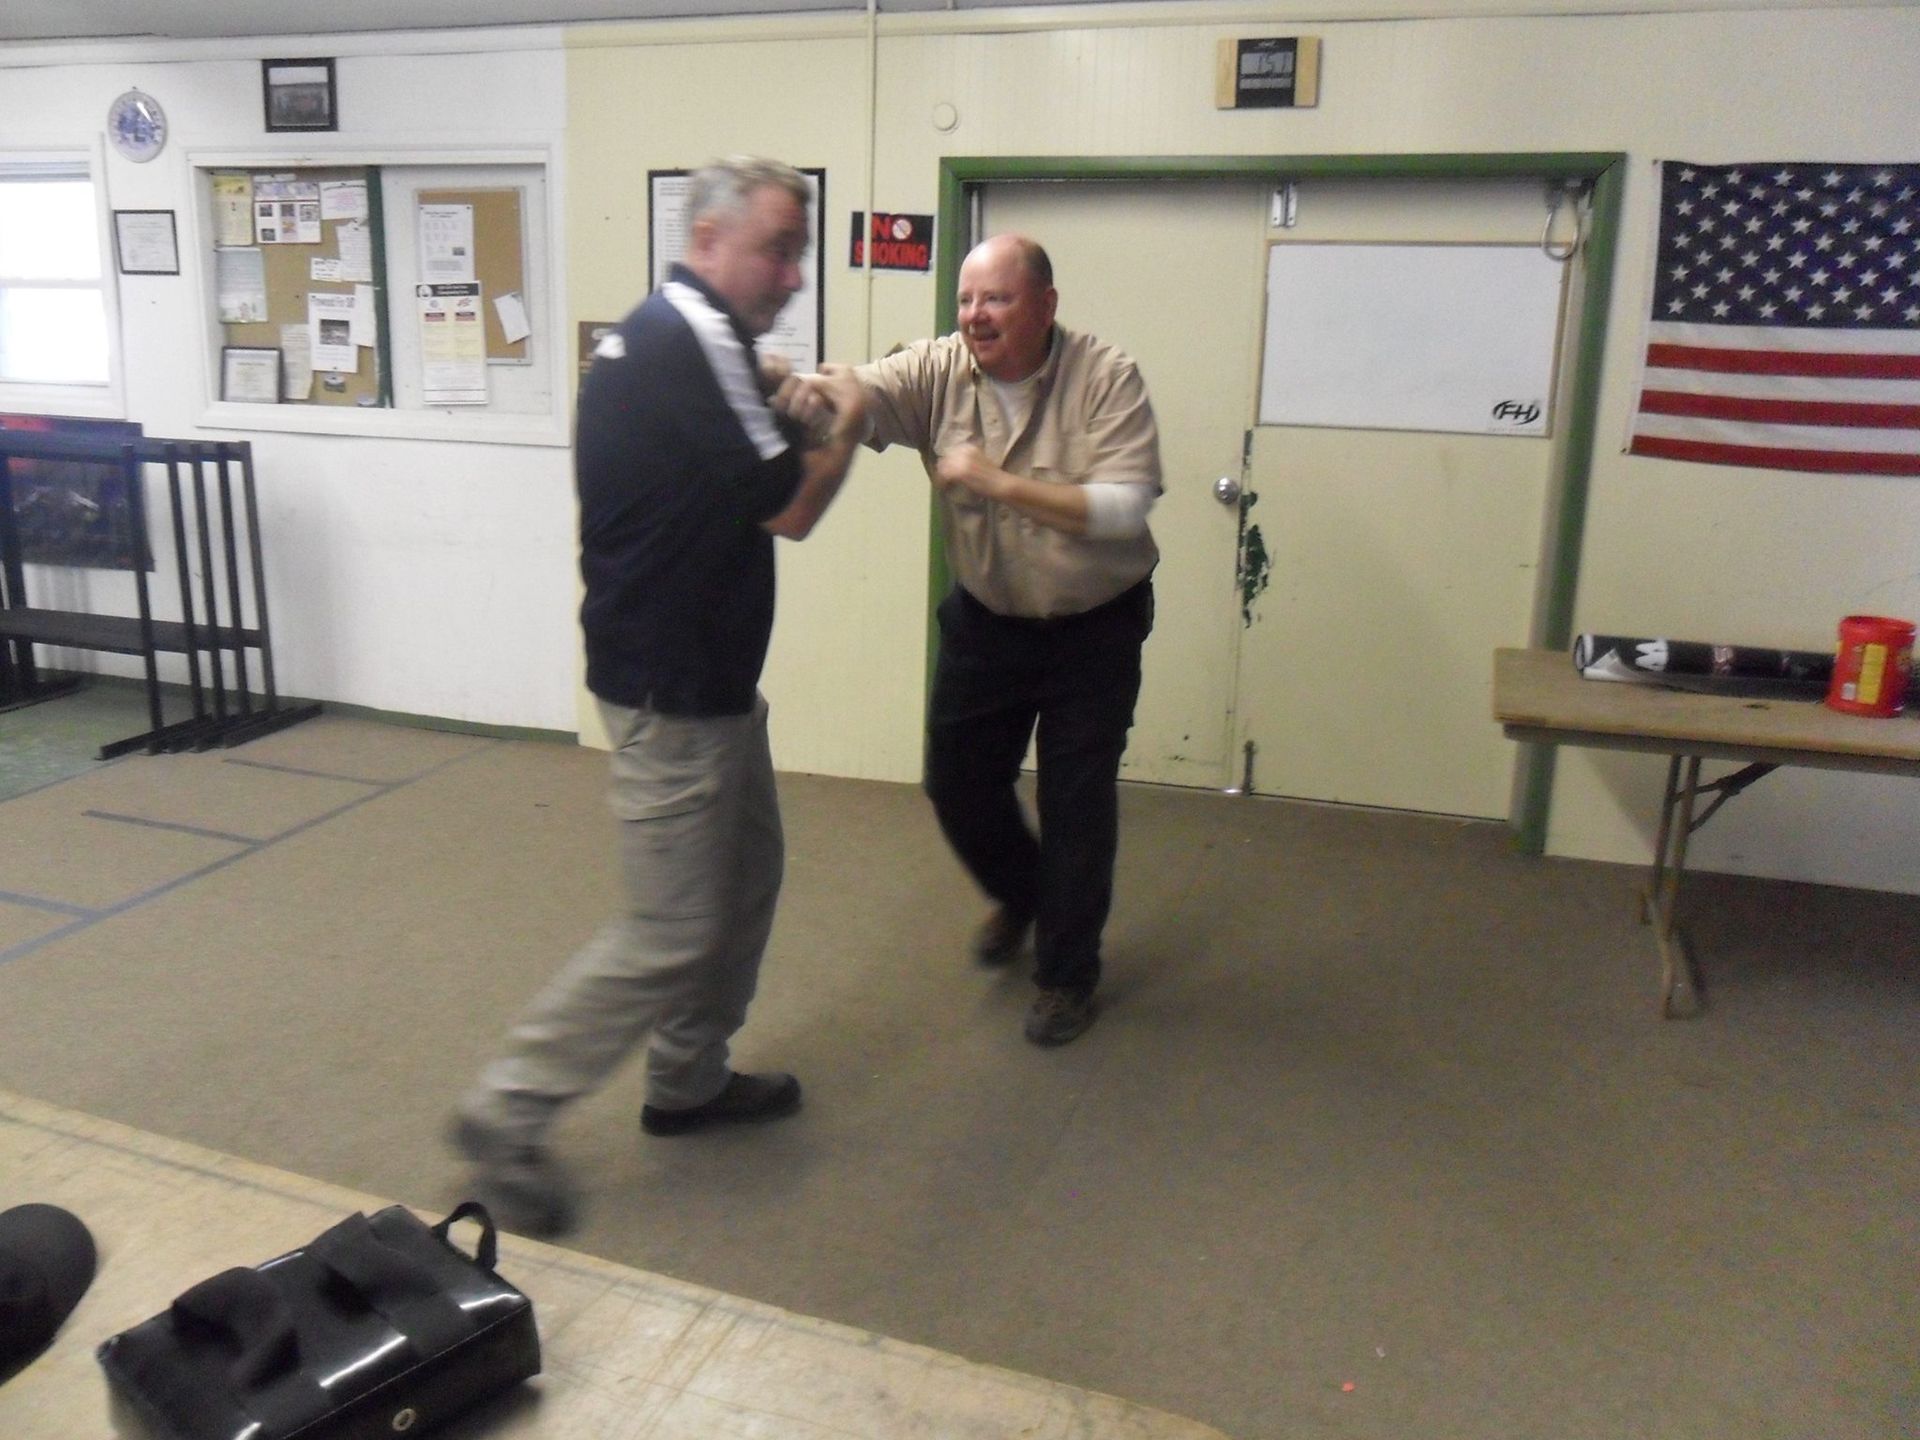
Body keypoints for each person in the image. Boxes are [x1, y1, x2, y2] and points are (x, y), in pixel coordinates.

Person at [450, 157, 867, 1238]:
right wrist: (851, 422)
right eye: (776, 248)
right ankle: (506, 1110)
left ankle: (689, 1078)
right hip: (673, 692)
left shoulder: (681, 336)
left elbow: (741, 435)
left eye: (797, 251)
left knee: (750, 875)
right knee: (672, 930)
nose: (790, 270)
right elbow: (791, 507)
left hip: (705, 681)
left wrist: (785, 389)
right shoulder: (690, 339)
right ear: (710, 238)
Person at [786, 234, 1160, 1047]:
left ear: (1046, 305)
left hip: (1093, 627)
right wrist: (778, 383)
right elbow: (852, 390)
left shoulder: (1107, 376)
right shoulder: (938, 369)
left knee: (1075, 805)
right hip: (990, 617)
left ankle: (1066, 975)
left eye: (996, 299)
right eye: (965, 300)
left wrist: (993, 480)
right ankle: (1026, 895)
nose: (975, 316)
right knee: (956, 782)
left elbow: (1126, 507)